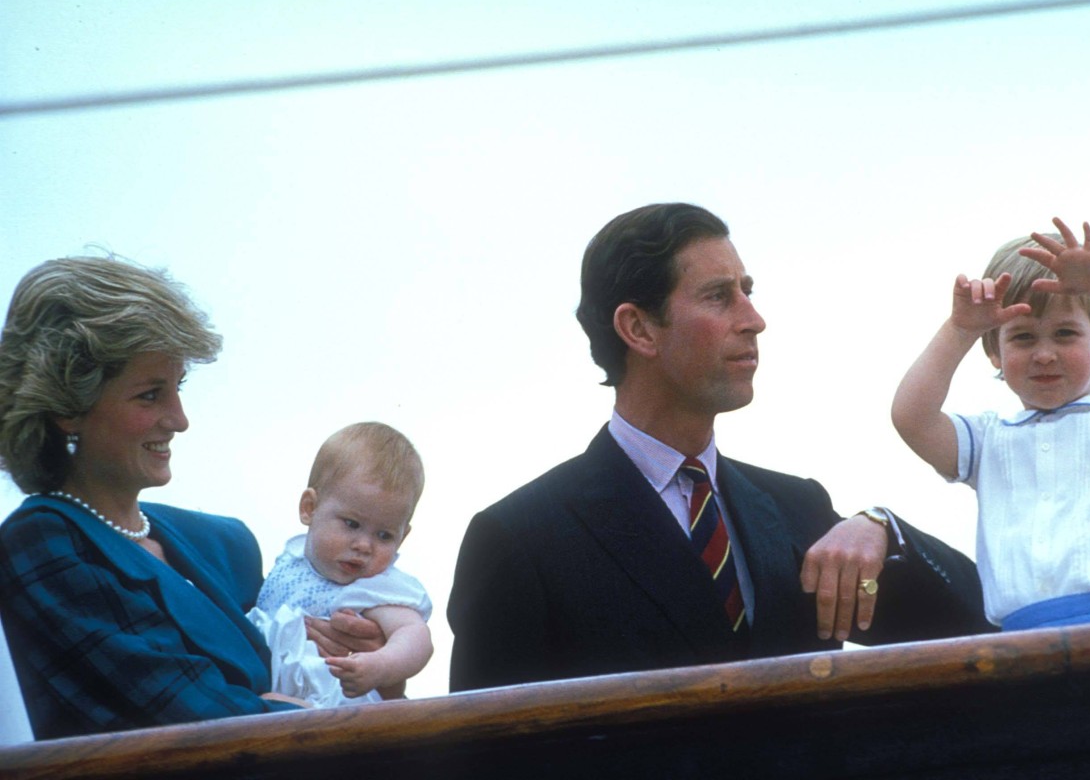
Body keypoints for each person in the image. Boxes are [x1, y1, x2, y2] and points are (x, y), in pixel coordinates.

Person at [448, 202, 993, 692]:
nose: (754, 320)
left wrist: (882, 527)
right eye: (718, 296)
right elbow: (484, 758)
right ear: (638, 328)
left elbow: (984, 624)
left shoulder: (796, 508)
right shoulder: (521, 538)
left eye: (747, 291)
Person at [0, 256, 382, 739]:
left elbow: (289, 684)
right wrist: (280, 710)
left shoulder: (220, 544)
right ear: (67, 407)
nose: (180, 420)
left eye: (177, 388)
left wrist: (363, 653)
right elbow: (194, 722)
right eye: (150, 395)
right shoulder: (41, 543)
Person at [891, 218, 1090, 631]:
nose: (1045, 355)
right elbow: (912, 417)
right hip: (1018, 642)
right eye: (1023, 338)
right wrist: (960, 329)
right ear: (995, 353)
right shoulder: (988, 441)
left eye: (1065, 333)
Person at [250, 422, 433, 706]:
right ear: (309, 508)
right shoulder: (291, 562)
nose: (364, 545)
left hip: (337, 703)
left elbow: (415, 635)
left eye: (384, 535)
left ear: (403, 536)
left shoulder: (374, 586)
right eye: (352, 524)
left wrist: (379, 665)